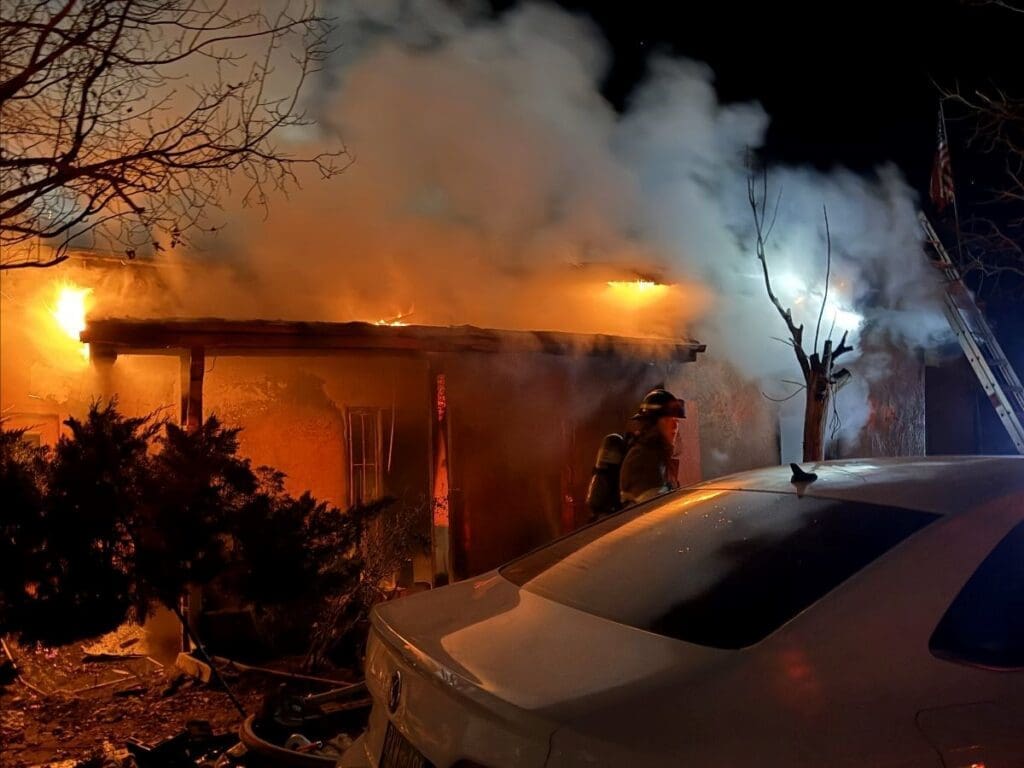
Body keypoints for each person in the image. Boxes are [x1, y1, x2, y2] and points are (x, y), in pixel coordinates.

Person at [619, 388, 685, 506]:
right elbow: (655, 509)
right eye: (668, 419)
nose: (675, 426)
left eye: (676, 420)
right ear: (652, 424)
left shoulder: (659, 457)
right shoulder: (642, 459)